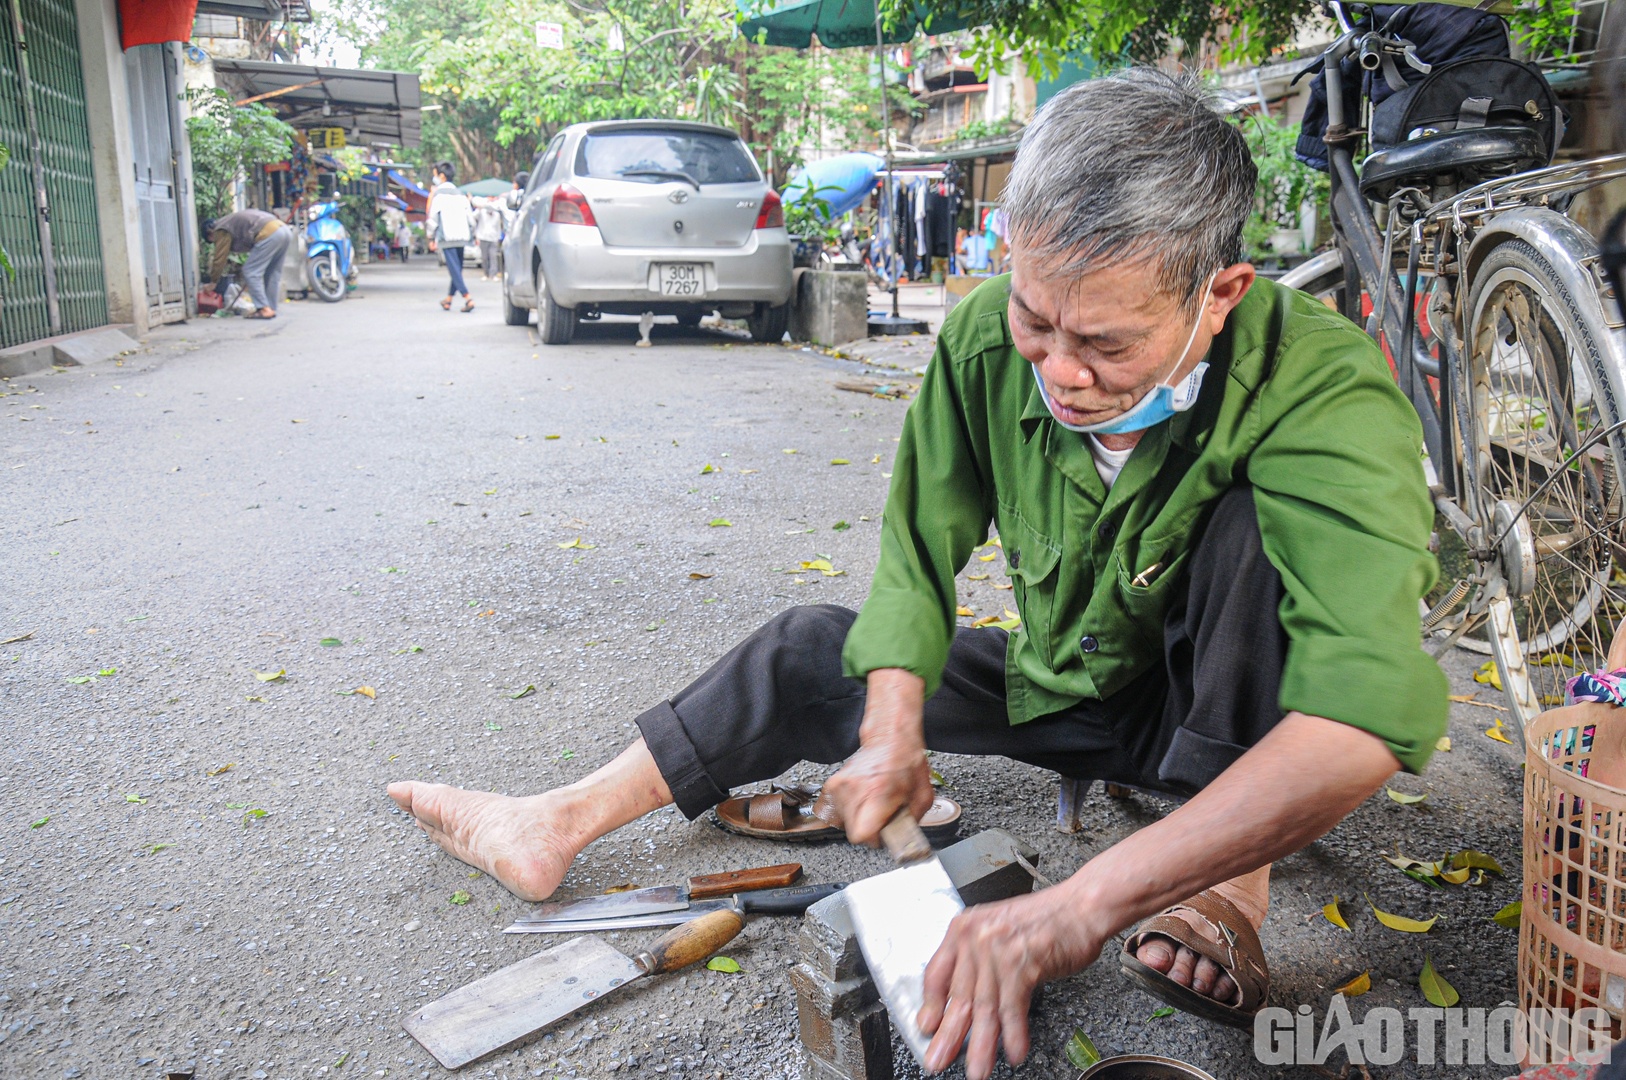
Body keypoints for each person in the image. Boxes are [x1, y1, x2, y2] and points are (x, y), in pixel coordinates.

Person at [387, 69, 1446, 1080]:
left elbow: (1359, 722)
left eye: (1105, 344)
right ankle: (553, 821)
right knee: (816, 649)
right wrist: (892, 726)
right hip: (1072, 685)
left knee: (1251, 535)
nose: (1060, 373)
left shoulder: (1323, 386)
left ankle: (1231, 882)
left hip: (1233, 721)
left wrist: (1077, 907)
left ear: (1220, 295)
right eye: (1036, 320)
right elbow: (918, 557)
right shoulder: (985, 341)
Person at [203, 208, 293, 320]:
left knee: (250, 271)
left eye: (212, 241)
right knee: (272, 272)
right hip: (283, 229)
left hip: (269, 233)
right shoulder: (228, 222)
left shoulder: (220, 229)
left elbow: (220, 258)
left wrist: (213, 282)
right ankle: (270, 308)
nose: (216, 243)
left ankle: (264, 308)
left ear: (210, 234)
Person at [426, 161, 474, 312]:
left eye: (435, 175)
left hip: (447, 236)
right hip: (462, 235)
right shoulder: (460, 193)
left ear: (442, 176)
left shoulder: (438, 195)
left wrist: (430, 237)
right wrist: (473, 234)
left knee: (454, 269)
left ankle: (467, 297)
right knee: (457, 268)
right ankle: (448, 299)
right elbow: (470, 217)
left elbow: (433, 218)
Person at [473, 196, 504, 281]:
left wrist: (498, 237)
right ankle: (486, 274)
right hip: (483, 237)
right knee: (484, 257)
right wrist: (479, 208)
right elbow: (473, 216)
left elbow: (498, 227)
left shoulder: (497, 215)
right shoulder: (482, 213)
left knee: (493, 256)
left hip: (493, 238)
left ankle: (493, 274)